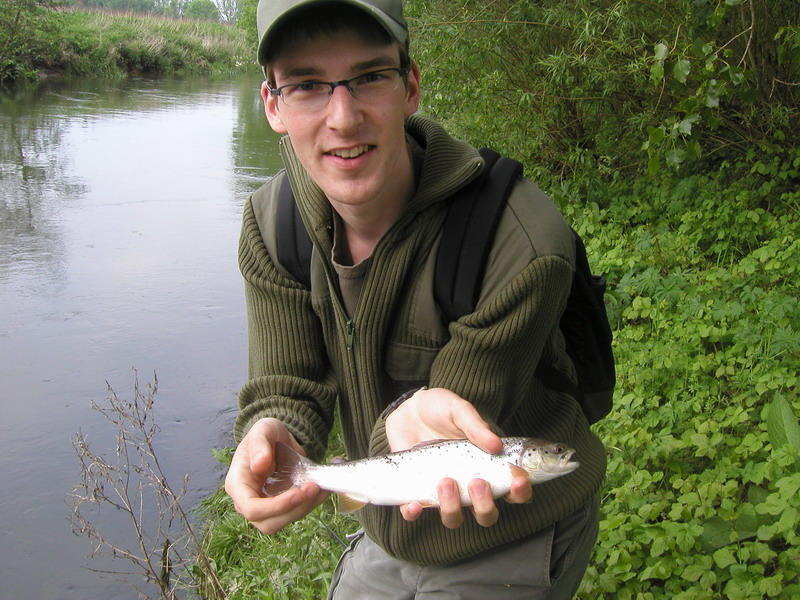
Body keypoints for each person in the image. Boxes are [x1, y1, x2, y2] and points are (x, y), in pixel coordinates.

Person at [224, 1, 606, 597]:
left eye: (370, 77)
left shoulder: (520, 240)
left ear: (411, 87)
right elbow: (285, 382)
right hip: (389, 516)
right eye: (306, 86)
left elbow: (447, 436)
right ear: (272, 105)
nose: (343, 118)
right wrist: (272, 428)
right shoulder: (272, 221)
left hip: (510, 532)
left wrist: (390, 442)